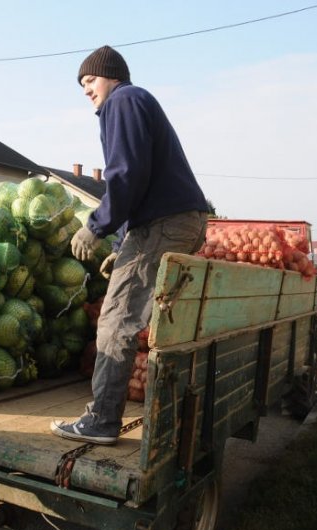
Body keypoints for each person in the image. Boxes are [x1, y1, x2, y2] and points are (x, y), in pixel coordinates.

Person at [51, 45, 210, 445]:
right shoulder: (134, 102)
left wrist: (96, 226)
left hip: (165, 223)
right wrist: (124, 244)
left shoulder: (124, 100)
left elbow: (126, 175)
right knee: (144, 318)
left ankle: (102, 421)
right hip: (171, 221)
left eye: (90, 80)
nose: (86, 90)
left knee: (116, 319)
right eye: (81, 84)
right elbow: (140, 185)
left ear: (112, 76)